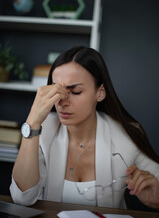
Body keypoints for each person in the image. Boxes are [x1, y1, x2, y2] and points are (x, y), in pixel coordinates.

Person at [10, 46, 159, 210]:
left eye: (75, 91)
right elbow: (21, 198)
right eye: (56, 91)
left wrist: (156, 199)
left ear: (100, 92)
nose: (62, 102)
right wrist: (32, 122)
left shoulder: (127, 134)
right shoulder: (41, 130)